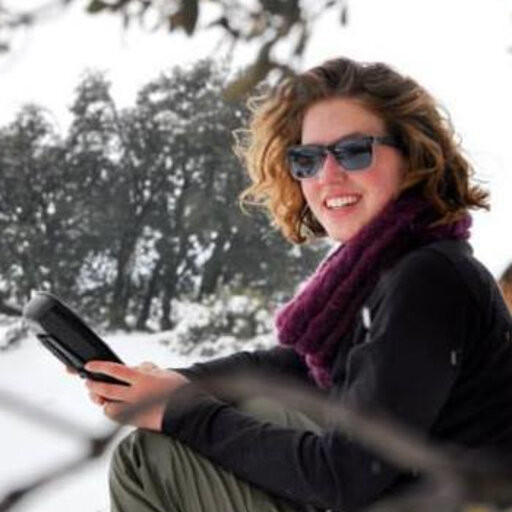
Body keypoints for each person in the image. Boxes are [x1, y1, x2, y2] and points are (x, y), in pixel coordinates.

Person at [82, 57, 512, 512]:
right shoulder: (384, 270)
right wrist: (180, 382)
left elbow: (343, 477)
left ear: (412, 154)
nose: (328, 176)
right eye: (307, 159)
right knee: (210, 428)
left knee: (149, 460)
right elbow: (301, 368)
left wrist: (178, 411)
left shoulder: (428, 279)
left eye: (353, 151)